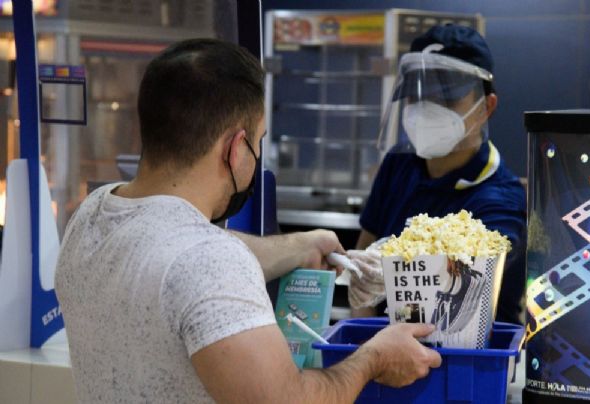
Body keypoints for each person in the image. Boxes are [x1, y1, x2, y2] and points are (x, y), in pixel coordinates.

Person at [55, 38, 441, 404]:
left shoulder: (92, 214)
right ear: (235, 148)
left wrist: (296, 246)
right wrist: (374, 358)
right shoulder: (207, 261)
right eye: (258, 141)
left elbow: (178, 256)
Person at [348, 25, 527, 325]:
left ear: (486, 108)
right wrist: (365, 342)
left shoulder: (500, 201)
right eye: (419, 97)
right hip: (385, 351)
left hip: (468, 360)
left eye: (447, 99)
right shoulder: (398, 165)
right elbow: (362, 272)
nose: (427, 111)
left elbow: (457, 302)